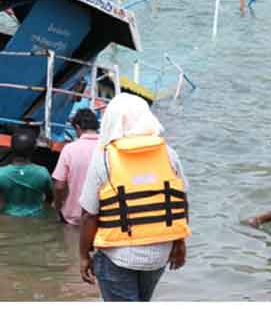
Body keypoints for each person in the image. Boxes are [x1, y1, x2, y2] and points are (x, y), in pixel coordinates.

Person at [78, 93, 189, 302]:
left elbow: (88, 215)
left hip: (117, 256)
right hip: (159, 254)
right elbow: (181, 202)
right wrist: (180, 243)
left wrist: (84, 256)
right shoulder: (169, 154)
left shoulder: (104, 158)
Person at [0, 128, 53, 217]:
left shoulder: (0, 174)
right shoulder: (43, 173)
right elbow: (50, 200)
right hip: (36, 219)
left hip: (8, 218)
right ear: (34, 148)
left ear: (11, 148)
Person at [52, 108, 100, 225]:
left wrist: (58, 206)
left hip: (73, 216)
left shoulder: (69, 149)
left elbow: (59, 186)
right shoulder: (107, 148)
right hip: (100, 217)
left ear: (78, 127)